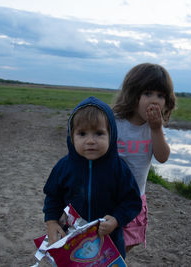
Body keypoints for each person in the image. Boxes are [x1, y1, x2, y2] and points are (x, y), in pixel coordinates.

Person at [43, 96, 142, 259]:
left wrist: (117, 220)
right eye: (82, 134)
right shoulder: (64, 166)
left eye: (99, 133)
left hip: (109, 240)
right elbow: (53, 196)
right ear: (71, 136)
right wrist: (51, 221)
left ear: (111, 135)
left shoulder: (119, 168)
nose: (90, 141)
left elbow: (132, 201)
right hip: (73, 238)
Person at [113, 63, 176, 252]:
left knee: (122, 250)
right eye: (147, 93)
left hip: (134, 200)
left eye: (160, 95)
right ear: (132, 94)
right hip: (108, 197)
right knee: (99, 248)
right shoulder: (114, 122)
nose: (154, 100)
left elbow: (162, 157)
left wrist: (156, 128)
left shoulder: (153, 128)